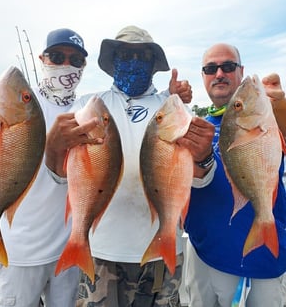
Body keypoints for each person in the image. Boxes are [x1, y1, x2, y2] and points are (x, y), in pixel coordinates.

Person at [46, 25, 193, 307]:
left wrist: (174, 96)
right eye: (125, 54)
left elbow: (189, 169)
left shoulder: (171, 106)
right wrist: (54, 146)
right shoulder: (87, 105)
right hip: (101, 251)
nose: (134, 61)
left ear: (154, 64)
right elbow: (60, 174)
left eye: (143, 55)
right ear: (113, 62)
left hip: (161, 251)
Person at [0, 28, 100, 307]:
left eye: (76, 60)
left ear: (84, 66)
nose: (67, 64)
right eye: (57, 56)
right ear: (42, 59)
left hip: (68, 249)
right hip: (18, 253)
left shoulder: (85, 111)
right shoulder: (19, 104)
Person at [182, 43, 286, 306]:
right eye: (210, 68)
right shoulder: (196, 127)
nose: (219, 73)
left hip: (261, 259)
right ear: (203, 76)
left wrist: (281, 106)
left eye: (228, 66)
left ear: (241, 71)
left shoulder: (270, 118)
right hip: (203, 251)